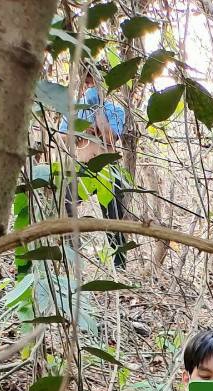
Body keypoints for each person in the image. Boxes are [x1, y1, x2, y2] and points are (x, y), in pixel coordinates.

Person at [58, 65, 128, 268]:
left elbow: (110, 138)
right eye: (87, 82)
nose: (90, 86)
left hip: (107, 169)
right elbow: (61, 139)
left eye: (94, 83)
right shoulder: (72, 111)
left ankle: (120, 267)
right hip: (81, 169)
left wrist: (97, 111)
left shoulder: (115, 110)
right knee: (65, 205)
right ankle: (73, 258)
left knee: (114, 218)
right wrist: (79, 131)